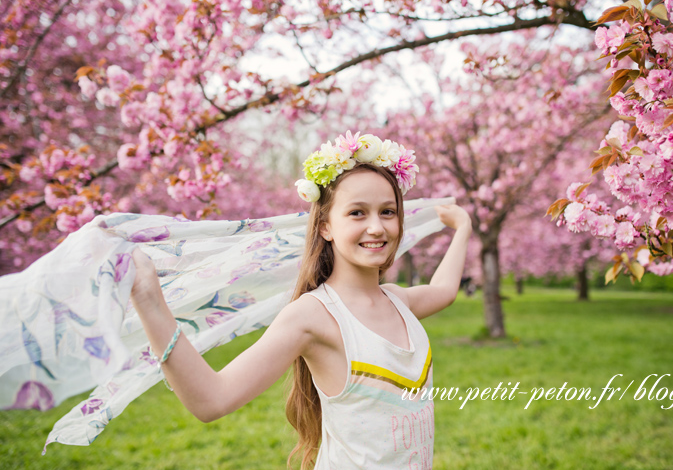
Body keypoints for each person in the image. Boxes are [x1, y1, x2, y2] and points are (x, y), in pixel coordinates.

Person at [128, 132, 472, 469]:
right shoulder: (312, 316)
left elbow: (443, 290)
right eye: (357, 213)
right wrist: (148, 300)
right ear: (326, 227)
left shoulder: (398, 301)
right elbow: (212, 400)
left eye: (387, 212)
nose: (377, 228)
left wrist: (462, 229)